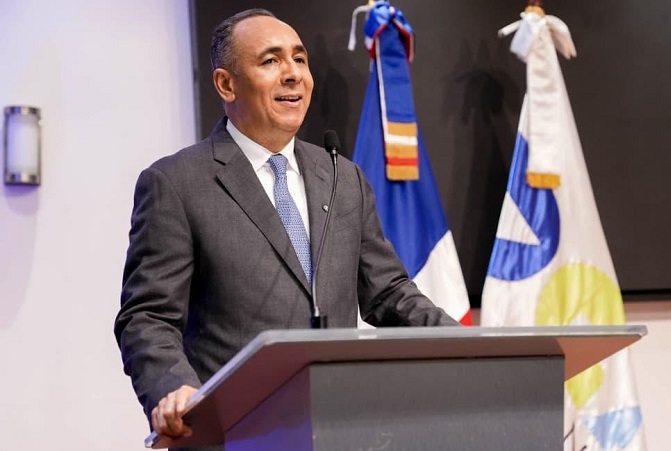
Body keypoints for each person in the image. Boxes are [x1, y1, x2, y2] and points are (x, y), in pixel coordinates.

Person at [113, 8, 458, 448]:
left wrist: (468, 343)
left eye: (299, 59)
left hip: (341, 430)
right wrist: (173, 387)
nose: (293, 74)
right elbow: (147, 316)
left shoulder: (342, 176)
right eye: (271, 60)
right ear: (226, 84)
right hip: (236, 434)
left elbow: (387, 293)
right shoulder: (177, 183)